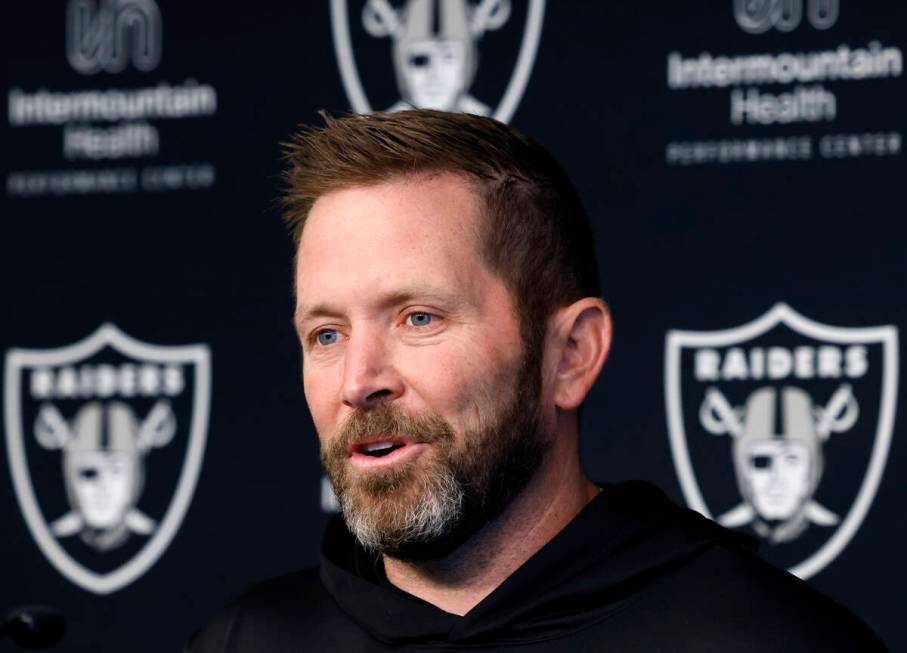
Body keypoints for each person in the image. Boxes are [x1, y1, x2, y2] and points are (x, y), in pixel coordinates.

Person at [187, 110, 886, 652]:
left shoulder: (765, 639)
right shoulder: (246, 640)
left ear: (570, 354)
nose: (358, 380)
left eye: (418, 317)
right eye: (327, 334)